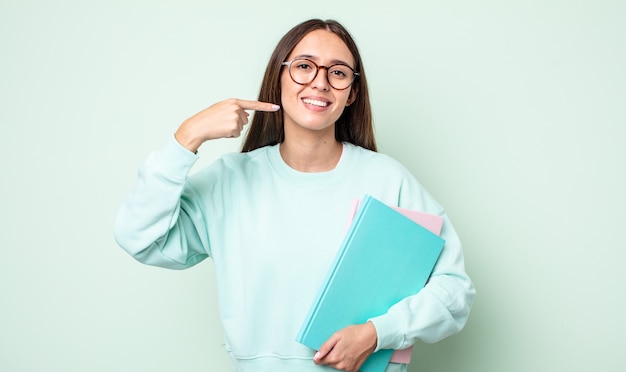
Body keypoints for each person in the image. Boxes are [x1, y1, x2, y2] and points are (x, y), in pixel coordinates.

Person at [114, 19, 475, 372]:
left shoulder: (388, 180)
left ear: (351, 93)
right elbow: (139, 236)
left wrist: (377, 333)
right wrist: (187, 137)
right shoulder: (230, 182)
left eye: (337, 72)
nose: (320, 82)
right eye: (304, 66)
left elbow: (455, 291)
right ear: (279, 78)